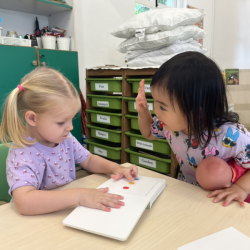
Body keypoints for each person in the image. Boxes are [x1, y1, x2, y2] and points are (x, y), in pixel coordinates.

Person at [0, 67, 138, 215]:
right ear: (32, 118)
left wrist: (115, 168)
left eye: (71, 119)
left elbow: (89, 160)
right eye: (61, 122)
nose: (70, 127)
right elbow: (25, 203)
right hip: (35, 221)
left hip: (65, 211)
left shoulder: (65, 138)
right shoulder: (22, 152)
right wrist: (79, 195)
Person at [136, 51, 250, 207]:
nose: (156, 111)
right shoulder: (169, 127)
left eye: (162, 106)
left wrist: (241, 188)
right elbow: (149, 133)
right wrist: (143, 112)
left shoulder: (231, 135)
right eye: (154, 102)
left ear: (196, 112)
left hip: (225, 200)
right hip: (190, 194)